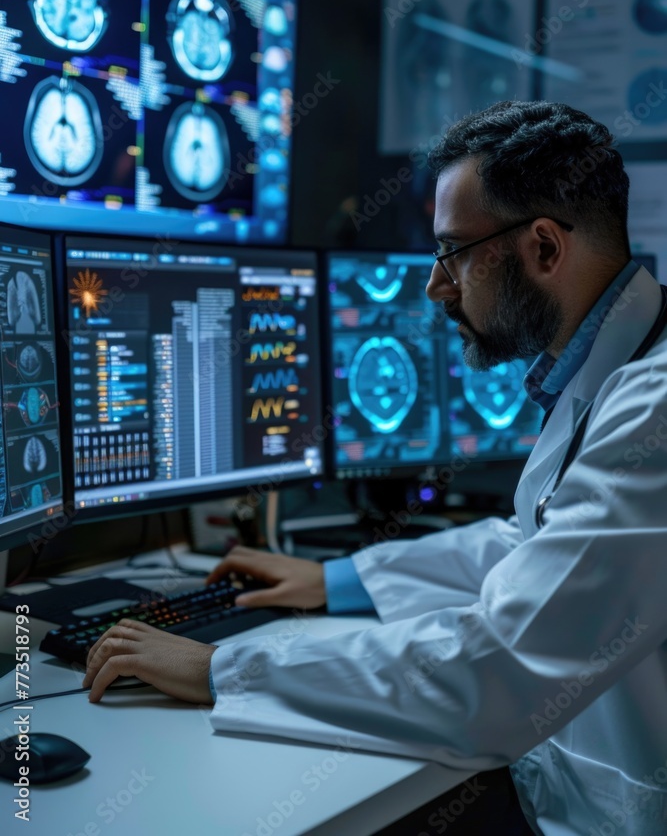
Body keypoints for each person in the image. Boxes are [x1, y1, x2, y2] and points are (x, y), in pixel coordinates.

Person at [82, 101, 667, 836]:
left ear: (544, 248)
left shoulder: (654, 407)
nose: (435, 286)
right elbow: (540, 543)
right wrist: (336, 581)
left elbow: (495, 672)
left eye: (451, 251)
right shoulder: (619, 368)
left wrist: (220, 671)